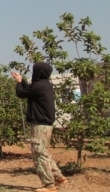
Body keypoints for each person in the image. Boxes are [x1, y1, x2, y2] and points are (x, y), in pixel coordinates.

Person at [12, 63, 68, 192]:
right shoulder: (45, 85)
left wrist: (19, 83)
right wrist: (21, 81)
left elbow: (21, 93)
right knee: (44, 152)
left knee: (39, 154)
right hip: (46, 125)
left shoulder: (39, 86)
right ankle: (59, 177)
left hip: (40, 125)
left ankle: (49, 185)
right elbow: (30, 90)